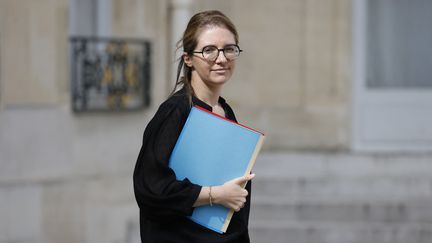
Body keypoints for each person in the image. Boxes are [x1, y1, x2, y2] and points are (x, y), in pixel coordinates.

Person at [133, 10, 254, 243]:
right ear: (188, 58)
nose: (221, 58)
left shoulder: (225, 111)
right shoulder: (175, 112)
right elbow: (150, 189)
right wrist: (217, 195)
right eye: (209, 50)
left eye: (229, 49)